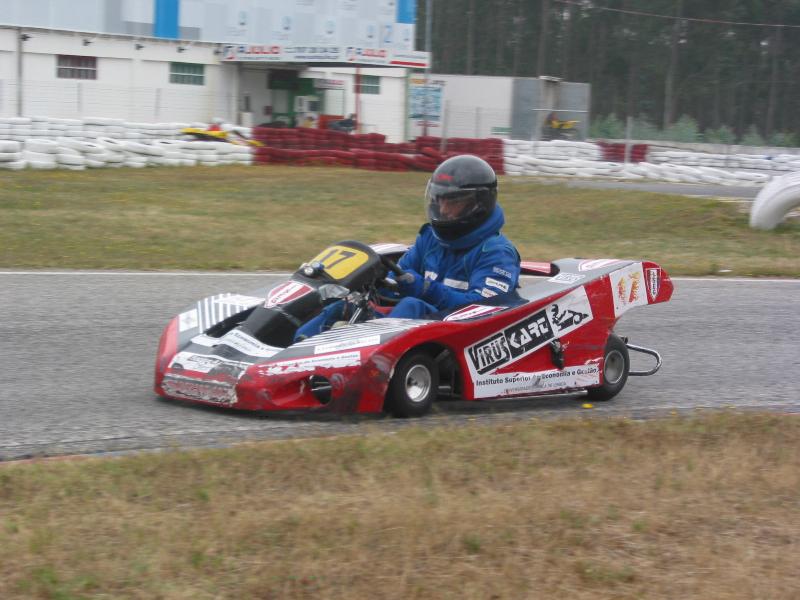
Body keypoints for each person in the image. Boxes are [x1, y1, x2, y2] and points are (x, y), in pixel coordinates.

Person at [294, 154, 521, 339]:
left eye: (453, 202)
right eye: (440, 200)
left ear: (478, 204)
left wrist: (425, 289)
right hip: (418, 331)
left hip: (465, 335)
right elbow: (400, 276)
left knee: (412, 304)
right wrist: (370, 286)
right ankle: (290, 352)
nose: (442, 210)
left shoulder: (497, 253)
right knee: (347, 306)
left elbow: (486, 309)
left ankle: (364, 358)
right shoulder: (430, 238)